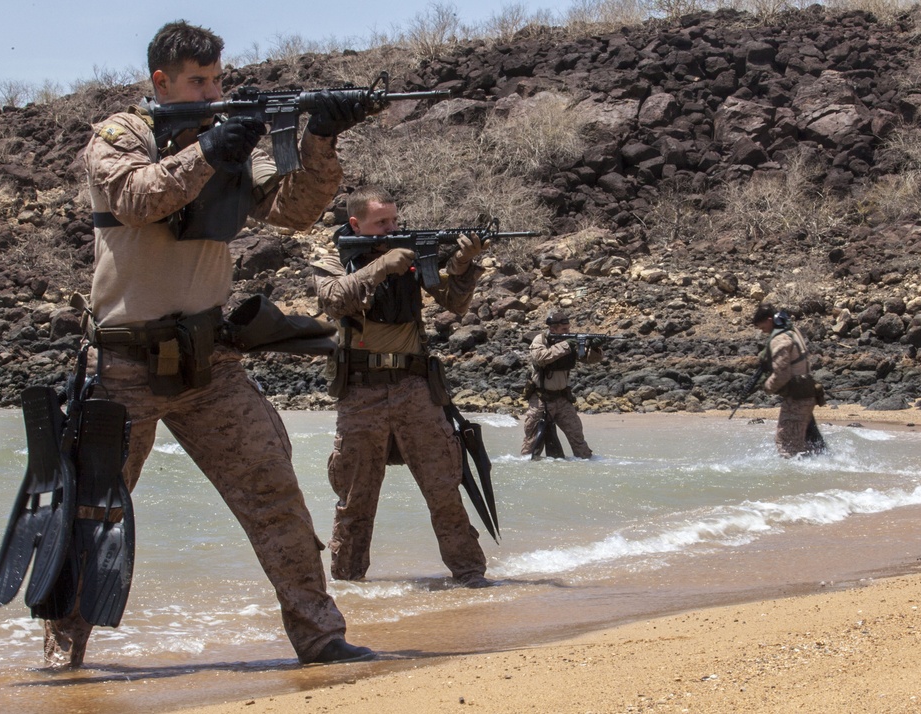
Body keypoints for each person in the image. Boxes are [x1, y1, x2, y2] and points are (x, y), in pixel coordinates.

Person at [49, 20, 373, 668]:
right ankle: (65, 656)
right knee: (94, 512)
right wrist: (214, 146)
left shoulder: (222, 138)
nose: (212, 90)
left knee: (274, 492)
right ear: (161, 81)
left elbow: (293, 210)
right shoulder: (119, 137)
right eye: (199, 81)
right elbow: (140, 197)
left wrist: (322, 140)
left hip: (210, 364)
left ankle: (321, 638)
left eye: (218, 79)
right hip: (125, 364)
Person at [312, 185, 491, 588]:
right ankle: (348, 584)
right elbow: (335, 301)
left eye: (395, 220)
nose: (392, 227)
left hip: (414, 388)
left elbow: (454, 302)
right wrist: (382, 266)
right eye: (382, 223)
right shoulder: (333, 258)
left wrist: (462, 265)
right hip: (360, 391)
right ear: (356, 224)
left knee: (444, 486)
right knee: (356, 498)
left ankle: (471, 576)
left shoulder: (412, 257)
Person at [520, 310, 602, 459]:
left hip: (562, 399)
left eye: (568, 329)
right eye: (564, 330)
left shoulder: (569, 341)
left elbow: (588, 359)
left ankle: (586, 464)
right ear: (553, 329)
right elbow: (540, 357)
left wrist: (595, 348)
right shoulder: (541, 340)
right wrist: (565, 345)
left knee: (577, 436)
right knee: (532, 441)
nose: (568, 332)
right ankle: (526, 468)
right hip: (541, 399)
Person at [752, 303, 822, 457]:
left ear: (769, 320)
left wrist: (767, 386)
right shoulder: (792, 330)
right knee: (813, 443)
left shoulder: (780, 339)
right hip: (807, 393)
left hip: (797, 398)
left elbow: (781, 374)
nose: (762, 331)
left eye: (762, 327)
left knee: (786, 444)